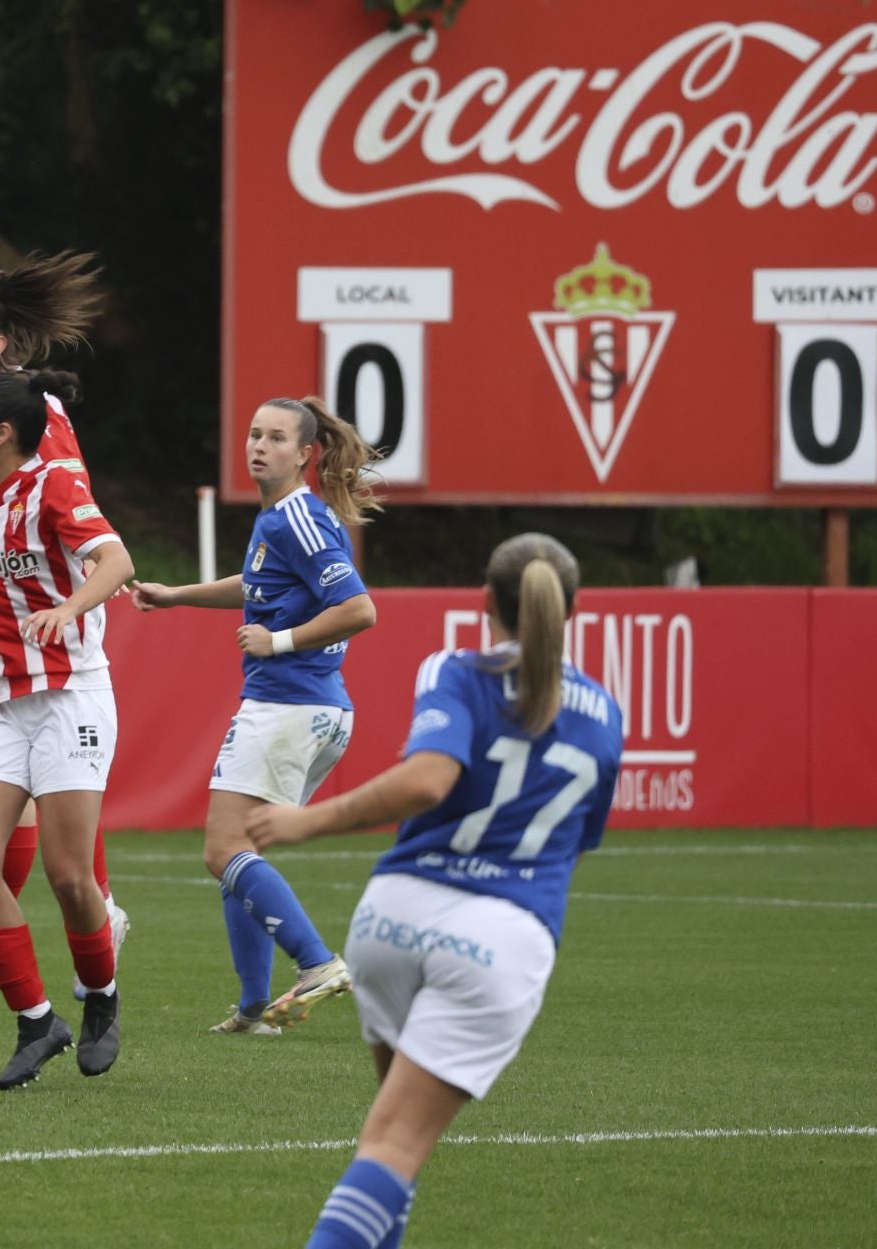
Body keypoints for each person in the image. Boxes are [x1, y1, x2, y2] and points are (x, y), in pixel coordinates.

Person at [250, 534, 622, 1249]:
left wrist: (307, 821)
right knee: (395, 1146)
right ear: (569, 610)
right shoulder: (604, 713)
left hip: (392, 920)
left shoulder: (455, 669)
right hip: (497, 940)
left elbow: (429, 781)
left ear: (485, 602)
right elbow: (450, 787)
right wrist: (307, 825)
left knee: (387, 1142)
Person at [0, 251, 131, 1012]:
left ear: (1, 345)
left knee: (57, 792)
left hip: (53, 618)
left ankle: (88, 915)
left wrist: (75, 595)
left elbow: (64, 502)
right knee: (9, 798)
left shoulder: (38, 416)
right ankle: (7, 942)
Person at [131, 397, 380, 1034]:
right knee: (238, 851)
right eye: (253, 433)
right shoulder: (280, 518)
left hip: (290, 705)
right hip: (311, 708)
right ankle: (251, 1010)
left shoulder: (295, 516)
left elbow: (357, 608)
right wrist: (178, 596)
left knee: (223, 848)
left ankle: (318, 962)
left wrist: (281, 641)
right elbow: (256, 586)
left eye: (275, 438)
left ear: (304, 454)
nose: (258, 445)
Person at [0, 369, 136, 1090]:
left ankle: (102, 997)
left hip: (69, 695)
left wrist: (69, 607)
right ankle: (36, 1020)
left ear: (2, 434)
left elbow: (115, 560)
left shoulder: (55, 484)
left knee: (68, 876)